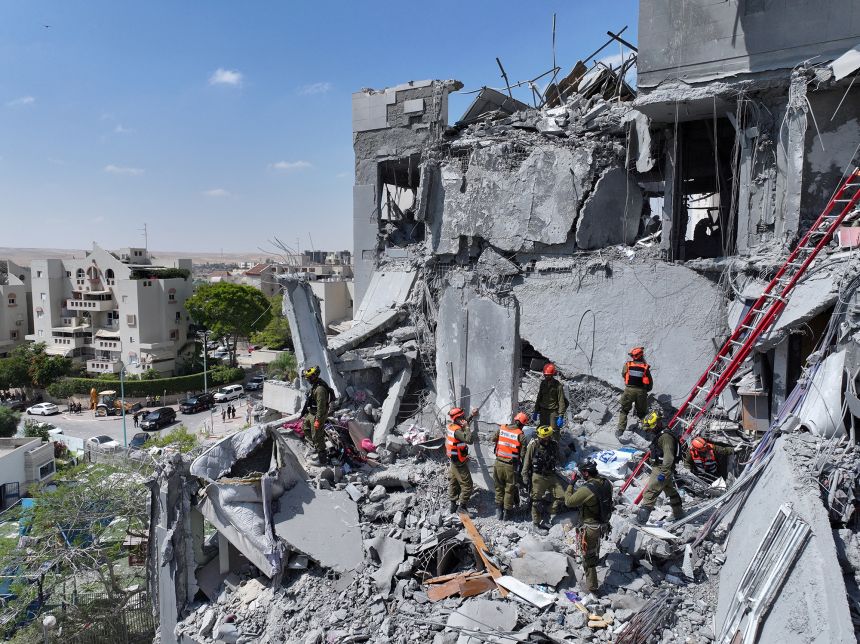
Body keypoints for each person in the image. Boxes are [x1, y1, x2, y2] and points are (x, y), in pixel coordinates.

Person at [564, 459, 614, 595]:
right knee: (593, 551)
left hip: (591, 527)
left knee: (588, 558)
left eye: (581, 472)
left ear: (586, 472)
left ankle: (592, 587)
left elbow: (569, 501)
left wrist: (571, 484)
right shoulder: (606, 482)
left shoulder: (587, 489)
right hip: (602, 524)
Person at [636, 410, 684, 524]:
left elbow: (669, 457)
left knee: (650, 491)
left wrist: (663, 472)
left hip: (662, 468)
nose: (650, 431)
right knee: (670, 491)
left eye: (651, 428)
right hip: (662, 467)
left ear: (657, 424)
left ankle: (641, 520)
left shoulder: (665, 437)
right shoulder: (662, 435)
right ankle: (679, 513)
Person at [522, 425, 564, 530]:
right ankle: (536, 524)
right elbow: (527, 461)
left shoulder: (554, 445)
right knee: (536, 501)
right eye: (541, 437)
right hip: (538, 476)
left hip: (551, 475)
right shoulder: (534, 445)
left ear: (549, 436)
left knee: (561, 497)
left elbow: (559, 457)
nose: (542, 438)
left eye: (545, 437)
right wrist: (525, 475)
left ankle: (548, 511)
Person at [491, 412, 528, 520]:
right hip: (510, 466)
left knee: (498, 487)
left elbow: (493, 439)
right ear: (522, 424)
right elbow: (523, 454)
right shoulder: (521, 435)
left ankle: (499, 511)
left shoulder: (502, 428)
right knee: (509, 489)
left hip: (498, 463)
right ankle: (507, 513)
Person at [446, 406, 479, 514]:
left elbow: (462, 424)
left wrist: (471, 416)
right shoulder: (457, 431)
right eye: (462, 416)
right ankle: (462, 507)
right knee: (468, 484)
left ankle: (452, 505)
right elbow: (469, 440)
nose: (464, 417)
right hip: (459, 462)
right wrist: (468, 427)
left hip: (453, 459)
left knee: (454, 482)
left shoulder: (452, 426)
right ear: (458, 418)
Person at [301, 366, 336, 465]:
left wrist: (318, 420)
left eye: (308, 378)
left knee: (317, 435)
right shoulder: (315, 385)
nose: (307, 380)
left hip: (318, 414)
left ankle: (322, 458)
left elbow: (321, 407)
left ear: (313, 377)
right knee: (305, 428)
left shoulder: (320, 389)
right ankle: (316, 447)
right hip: (311, 413)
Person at [616, 347, 653, 436]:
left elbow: (624, 374)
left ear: (633, 356)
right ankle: (648, 431)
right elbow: (650, 381)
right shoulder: (645, 367)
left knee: (624, 410)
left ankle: (620, 430)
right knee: (642, 413)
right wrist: (646, 389)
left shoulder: (628, 365)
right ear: (641, 356)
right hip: (641, 392)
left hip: (629, 390)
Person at [534, 363, 567, 429]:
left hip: (553, 411)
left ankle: (554, 439)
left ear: (552, 375)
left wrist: (561, 416)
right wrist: (536, 410)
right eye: (545, 375)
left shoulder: (558, 385)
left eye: (548, 375)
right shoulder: (543, 383)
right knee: (543, 429)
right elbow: (539, 397)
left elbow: (561, 401)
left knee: (553, 429)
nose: (546, 377)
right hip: (543, 411)